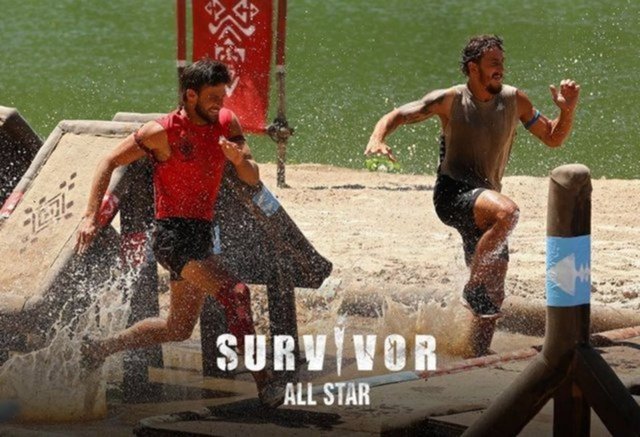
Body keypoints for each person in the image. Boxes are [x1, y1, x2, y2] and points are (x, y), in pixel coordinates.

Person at [75, 59, 285, 407]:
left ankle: (99, 349)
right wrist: (89, 216)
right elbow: (108, 161)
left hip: (201, 234)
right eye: (212, 97)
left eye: (222, 95)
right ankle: (265, 382)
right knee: (236, 294)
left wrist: (238, 160)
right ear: (191, 95)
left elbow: (253, 177)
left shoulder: (227, 123)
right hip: (172, 237)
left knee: (177, 328)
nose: (220, 103)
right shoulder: (161, 131)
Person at [365, 35, 580, 353]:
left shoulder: (516, 100)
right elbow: (399, 114)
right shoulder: (450, 99)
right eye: (493, 63)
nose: (500, 69)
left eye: (502, 63)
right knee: (508, 213)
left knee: (494, 294)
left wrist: (567, 111)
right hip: (453, 195)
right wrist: (377, 137)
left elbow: (552, 137)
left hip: (486, 205)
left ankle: (474, 354)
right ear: (473, 67)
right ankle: (473, 285)